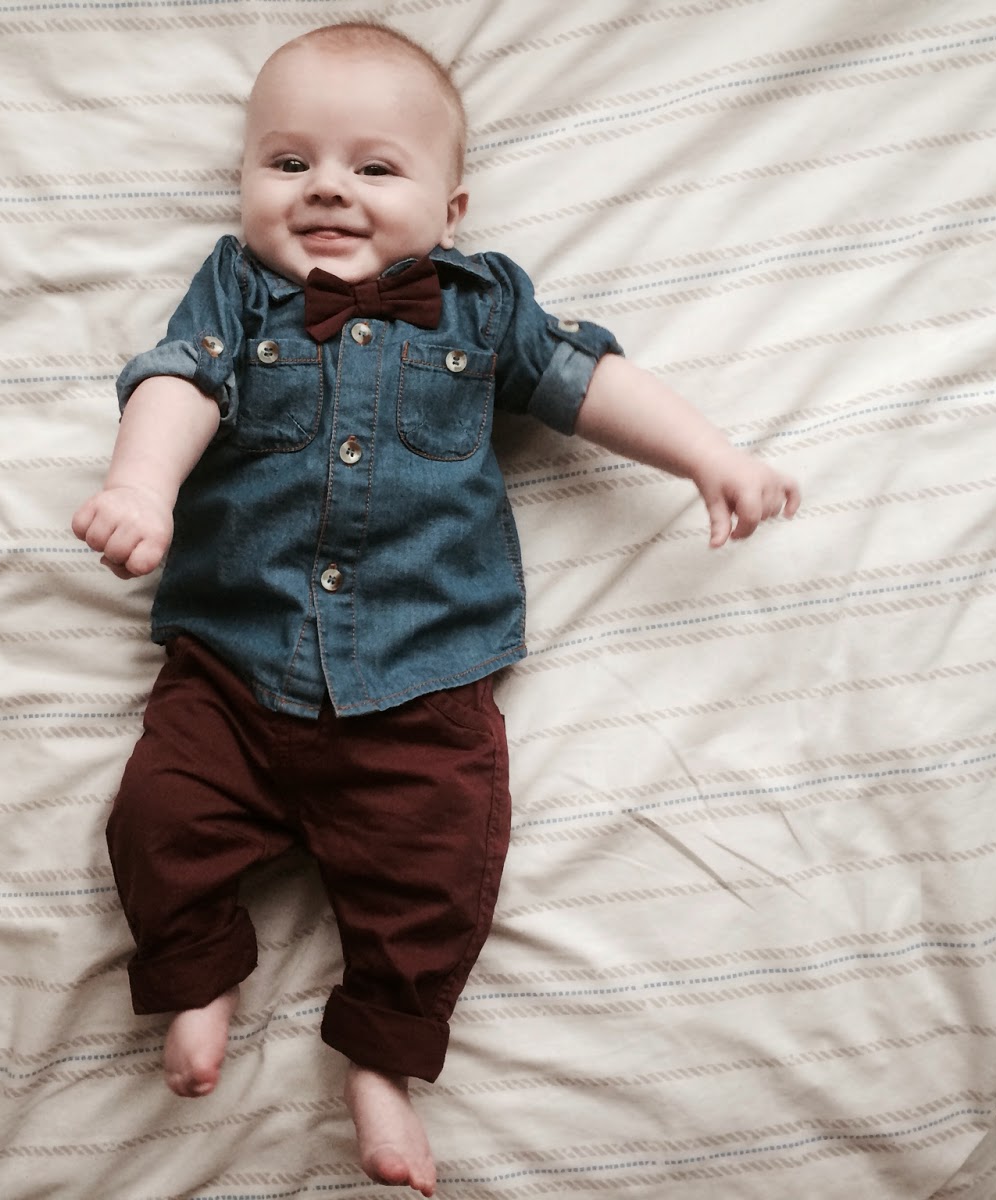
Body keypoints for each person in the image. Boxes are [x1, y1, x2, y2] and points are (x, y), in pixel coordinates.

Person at [72, 21, 800, 1196]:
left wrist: (709, 456)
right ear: (244, 182)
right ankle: (197, 968)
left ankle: (381, 1055)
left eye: (374, 166)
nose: (326, 188)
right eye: (289, 162)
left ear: (449, 211)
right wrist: (140, 487)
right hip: (235, 666)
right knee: (156, 818)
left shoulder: (482, 305)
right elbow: (177, 380)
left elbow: (587, 381)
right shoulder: (238, 290)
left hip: (420, 679)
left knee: (442, 871)